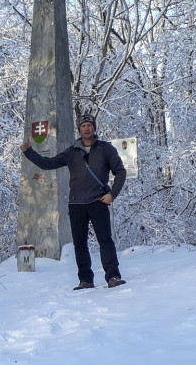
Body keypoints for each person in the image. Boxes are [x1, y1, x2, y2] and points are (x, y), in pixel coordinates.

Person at [20, 113, 127, 289]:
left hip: (98, 202)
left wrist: (111, 195)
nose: (87, 128)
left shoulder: (106, 149)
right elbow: (47, 164)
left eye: (89, 125)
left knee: (105, 241)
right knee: (79, 244)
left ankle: (113, 277)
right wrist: (28, 152)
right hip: (76, 205)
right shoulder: (72, 152)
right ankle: (85, 280)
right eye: (83, 126)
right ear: (79, 129)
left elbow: (120, 172)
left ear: (94, 128)